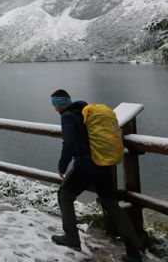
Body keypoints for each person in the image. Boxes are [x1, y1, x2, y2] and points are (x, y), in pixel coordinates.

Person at [50, 89, 142, 262]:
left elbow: (69, 144)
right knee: (112, 205)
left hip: (85, 166)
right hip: (103, 165)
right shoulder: (86, 113)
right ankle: (133, 251)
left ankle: (72, 238)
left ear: (59, 105)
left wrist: (62, 167)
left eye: (55, 105)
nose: (54, 109)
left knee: (64, 196)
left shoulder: (68, 116)